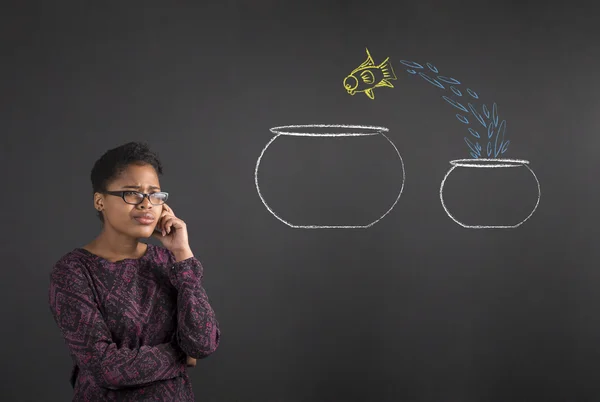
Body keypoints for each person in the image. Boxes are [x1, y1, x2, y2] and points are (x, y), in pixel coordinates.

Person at [48, 141, 220, 401]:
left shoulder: (168, 261)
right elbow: (105, 368)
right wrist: (180, 354)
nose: (146, 204)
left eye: (155, 194)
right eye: (132, 193)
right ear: (99, 201)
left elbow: (203, 343)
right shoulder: (73, 271)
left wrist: (183, 254)